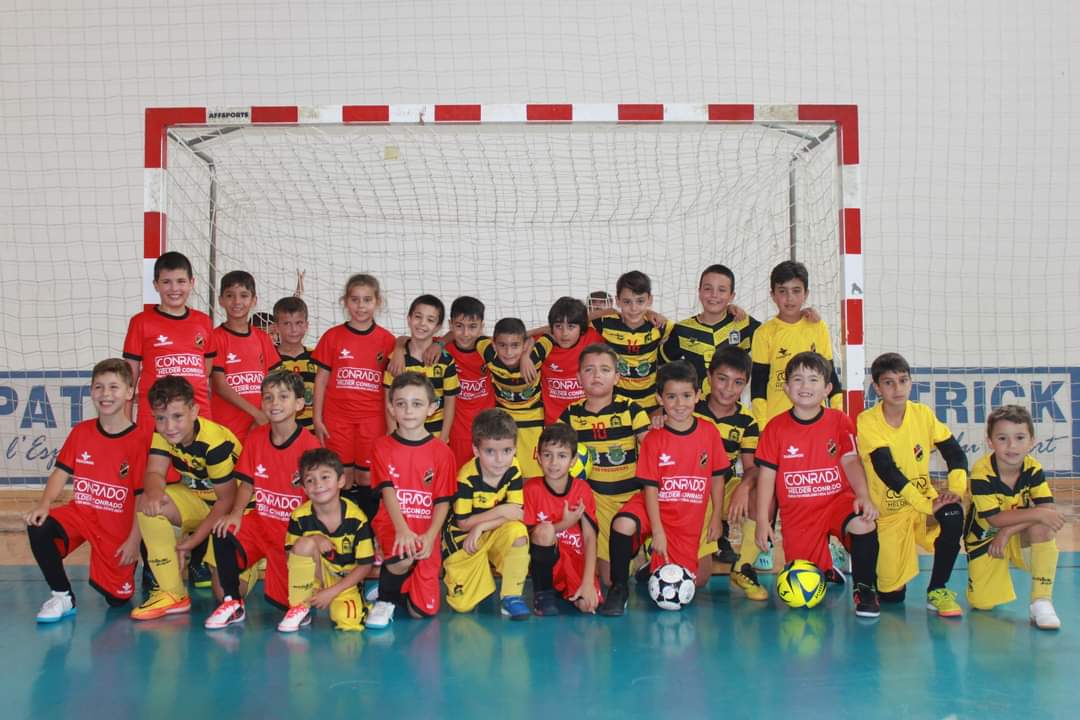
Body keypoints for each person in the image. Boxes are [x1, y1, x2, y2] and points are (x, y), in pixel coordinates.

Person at [754, 352, 880, 618]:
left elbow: (851, 461)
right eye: (797, 379)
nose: (805, 386)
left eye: (813, 379)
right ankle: (827, 568)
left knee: (863, 522)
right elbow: (766, 477)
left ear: (827, 388)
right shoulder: (775, 428)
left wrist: (863, 495)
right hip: (799, 514)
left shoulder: (839, 420)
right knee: (805, 579)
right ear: (786, 388)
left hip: (836, 502)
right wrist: (764, 521)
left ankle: (864, 588)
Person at [598, 361, 730, 616]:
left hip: (687, 513)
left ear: (698, 395)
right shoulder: (654, 438)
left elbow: (717, 477)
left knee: (697, 579)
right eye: (671, 397)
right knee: (622, 524)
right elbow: (650, 488)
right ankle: (619, 588)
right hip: (654, 505)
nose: (680, 404)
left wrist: (716, 517)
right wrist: (657, 531)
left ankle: (649, 569)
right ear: (660, 399)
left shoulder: (709, 432)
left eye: (686, 396)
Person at [24, 359, 152, 622]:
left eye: (114, 387)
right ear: (91, 391)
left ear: (129, 392)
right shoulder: (81, 431)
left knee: (117, 599)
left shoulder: (141, 440)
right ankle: (62, 596)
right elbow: (60, 472)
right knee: (39, 526)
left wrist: (134, 540)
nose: (106, 394)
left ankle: (144, 573)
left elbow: (142, 496)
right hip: (82, 514)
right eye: (99, 387)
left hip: (117, 526)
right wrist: (44, 504)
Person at [204, 370, 321, 629]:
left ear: (299, 404)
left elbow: (321, 500)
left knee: (288, 604)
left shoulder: (310, 446)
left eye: (283, 396)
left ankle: (301, 603)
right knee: (223, 531)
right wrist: (236, 514)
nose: (274, 403)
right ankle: (233, 603)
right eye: (268, 397)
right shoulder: (256, 437)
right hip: (261, 524)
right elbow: (247, 484)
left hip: (290, 534)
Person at [858, 352, 967, 616]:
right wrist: (925, 504)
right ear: (877, 388)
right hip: (889, 514)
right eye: (889, 382)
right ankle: (869, 564)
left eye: (903, 380)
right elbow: (887, 470)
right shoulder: (867, 420)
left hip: (922, 507)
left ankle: (937, 589)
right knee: (892, 597)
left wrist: (955, 490)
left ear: (910, 382)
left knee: (953, 513)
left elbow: (955, 453)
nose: (897, 388)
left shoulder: (923, 414)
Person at [132, 376, 242, 620]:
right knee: (148, 505)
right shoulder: (163, 433)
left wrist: (192, 542)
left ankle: (256, 562)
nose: (169, 426)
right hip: (200, 501)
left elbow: (227, 500)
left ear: (194, 411)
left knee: (222, 592)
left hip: (236, 510)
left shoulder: (214, 443)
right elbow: (154, 472)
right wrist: (154, 493)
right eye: (161, 418)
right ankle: (172, 593)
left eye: (177, 416)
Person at [366, 373, 458, 628]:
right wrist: (402, 529)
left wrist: (430, 536)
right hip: (393, 524)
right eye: (401, 403)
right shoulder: (382, 446)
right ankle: (385, 599)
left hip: (426, 529)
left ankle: (394, 582)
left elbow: (443, 501)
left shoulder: (442, 452)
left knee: (422, 612)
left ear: (431, 408)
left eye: (417, 404)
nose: (408, 411)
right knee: (404, 555)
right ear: (390, 407)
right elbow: (387, 492)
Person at [965, 405, 1064, 630]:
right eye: (1002, 438)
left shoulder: (1033, 468)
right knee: (982, 604)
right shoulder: (981, 473)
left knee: (1043, 526)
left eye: (1020, 438)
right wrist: (1035, 513)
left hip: (1015, 535)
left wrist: (1008, 532)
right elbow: (995, 519)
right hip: (986, 538)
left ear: (1031, 441)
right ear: (990, 442)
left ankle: (1041, 602)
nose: (1012, 446)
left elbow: (1046, 509)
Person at [558, 343, 649, 585]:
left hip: (632, 498)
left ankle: (639, 543)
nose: (597, 375)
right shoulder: (570, 415)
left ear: (617, 377)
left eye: (605, 369)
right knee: (608, 580)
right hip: (597, 501)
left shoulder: (631, 409)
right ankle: (628, 552)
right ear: (579, 377)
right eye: (589, 369)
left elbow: (652, 448)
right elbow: (556, 451)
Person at [311, 273, 396, 521]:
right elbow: (321, 380)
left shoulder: (388, 340)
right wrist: (317, 418)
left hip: (372, 418)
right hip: (337, 419)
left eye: (367, 300)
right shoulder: (332, 336)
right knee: (342, 477)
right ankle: (345, 528)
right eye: (355, 299)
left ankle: (368, 531)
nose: (361, 306)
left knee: (368, 477)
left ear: (377, 302)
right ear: (345, 302)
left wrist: (400, 347)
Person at [442, 408, 532, 619]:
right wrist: (499, 510)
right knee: (462, 606)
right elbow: (463, 523)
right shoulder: (466, 478)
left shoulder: (514, 468)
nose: (500, 459)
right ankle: (480, 572)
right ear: (476, 450)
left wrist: (482, 526)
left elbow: (516, 513)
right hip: (464, 538)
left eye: (507, 451)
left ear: (515, 448)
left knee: (518, 532)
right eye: (490, 451)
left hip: (490, 529)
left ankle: (511, 596)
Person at [693, 346, 767, 601]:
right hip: (688, 493)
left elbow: (752, 468)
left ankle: (742, 566)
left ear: (745, 385)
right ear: (709, 376)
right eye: (722, 379)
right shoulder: (690, 407)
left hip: (722, 488)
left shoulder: (747, 421)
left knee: (763, 491)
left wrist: (744, 487)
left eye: (737, 382)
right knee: (699, 580)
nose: (728, 389)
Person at [277, 448, 375, 632]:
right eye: (310, 480)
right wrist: (315, 538)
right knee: (304, 544)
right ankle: (300, 607)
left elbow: (365, 566)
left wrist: (332, 591)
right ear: (304, 489)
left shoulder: (357, 519)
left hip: (344, 582)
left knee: (348, 622)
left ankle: (363, 606)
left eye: (325, 477)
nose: (318, 485)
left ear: (341, 481)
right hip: (315, 578)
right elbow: (291, 555)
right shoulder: (299, 516)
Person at [123, 251, 215, 425]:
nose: (174, 289)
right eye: (166, 282)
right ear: (156, 285)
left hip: (199, 416)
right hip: (155, 418)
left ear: (192, 283)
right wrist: (126, 422)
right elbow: (129, 379)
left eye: (181, 281)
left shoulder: (204, 322)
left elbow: (206, 369)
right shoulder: (140, 322)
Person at [750, 261, 841, 428]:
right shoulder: (764, 333)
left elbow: (830, 374)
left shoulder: (817, 326)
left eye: (796, 291)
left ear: (806, 294)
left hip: (815, 421)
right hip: (777, 422)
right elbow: (758, 384)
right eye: (782, 291)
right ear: (773, 295)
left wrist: (838, 413)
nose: (789, 298)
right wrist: (762, 426)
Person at [524, 423, 601, 615]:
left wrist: (588, 582)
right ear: (538, 457)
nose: (554, 463)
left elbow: (590, 538)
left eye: (562, 456)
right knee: (545, 530)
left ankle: (573, 589)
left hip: (575, 563)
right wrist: (564, 524)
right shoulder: (531, 489)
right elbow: (532, 537)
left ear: (573, 460)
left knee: (588, 606)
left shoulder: (582, 489)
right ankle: (543, 595)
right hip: (550, 565)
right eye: (547, 455)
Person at [660, 264, 760, 395]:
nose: (714, 295)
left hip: (730, 405)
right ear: (699, 292)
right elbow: (658, 362)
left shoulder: (743, 323)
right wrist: (647, 314)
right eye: (708, 289)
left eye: (722, 290)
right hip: (695, 405)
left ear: (731, 296)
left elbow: (773, 339)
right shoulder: (683, 330)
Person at [475, 318, 552, 477]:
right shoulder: (489, 355)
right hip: (504, 423)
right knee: (506, 475)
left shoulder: (535, 357)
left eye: (515, 345)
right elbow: (471, 336)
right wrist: (439, 344)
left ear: (524, 344)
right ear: (494, 345)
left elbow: (551, 331)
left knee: (533, 476)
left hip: (533, 422)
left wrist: (526, 354)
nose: (509, 352)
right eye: (502, 345)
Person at [210, 270, 280, 443]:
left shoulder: (263, 338)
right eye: (230, 295)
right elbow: (219, 384)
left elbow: (273, 382)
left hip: (258, 428)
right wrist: (256, 413)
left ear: (254, 300)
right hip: (225, 430)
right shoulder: (215, 337)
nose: (237, 302)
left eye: (244, 295)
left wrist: (266, 413)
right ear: (220, 300)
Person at [590, 271, 674, 413]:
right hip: (618, 403)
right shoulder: (606, 324)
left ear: (650, 300)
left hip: (651, 402)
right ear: (617, 301)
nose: (634, 308)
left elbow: (681, 333)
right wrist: (609, 311)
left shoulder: (660, 326)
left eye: (640, 301)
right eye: (627, 301)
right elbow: (578, 320)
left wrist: (649, 313)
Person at [383, 294, 459, 441]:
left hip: (435, 437)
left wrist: (443, 438)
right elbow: (388, 399)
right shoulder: (395, 360)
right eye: (418, 317)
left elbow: (450, 403)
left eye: (430, 320)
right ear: (409, 319)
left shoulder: (446, 361)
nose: (422, 323)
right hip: (403, 436)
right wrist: (392, 433)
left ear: (438, 327)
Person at [531, 296, 605, 425]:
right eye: (558, 326)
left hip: (587, 422)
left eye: (571, 326)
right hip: (554, 425)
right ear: (551, 328)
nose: (564, 333)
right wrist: (525, 356)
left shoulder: (593, 337)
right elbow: (511, 339)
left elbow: (613, 312)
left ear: (581, 328)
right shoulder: (542, 344)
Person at [271, 296, 317, 429]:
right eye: (287, 324)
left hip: (312, 430)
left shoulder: (317, 357)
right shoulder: (269, 358)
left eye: (299, 323)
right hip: (280, 431)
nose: (293, 329)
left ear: (306, 325)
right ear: (276, 327)